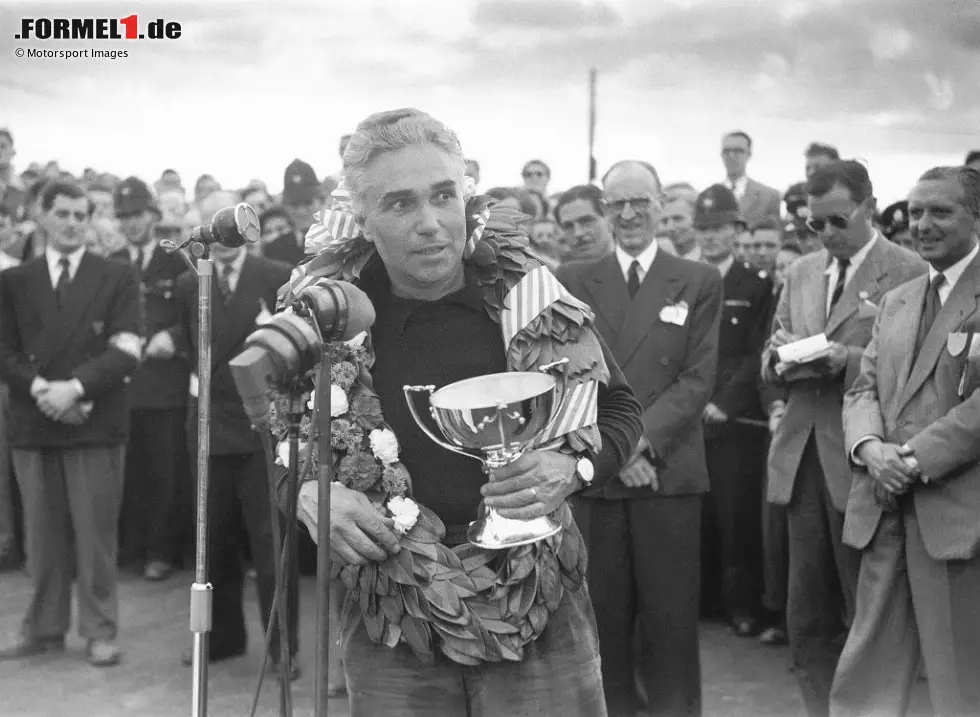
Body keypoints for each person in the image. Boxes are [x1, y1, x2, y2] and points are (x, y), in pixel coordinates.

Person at [291, 108, 643, 717]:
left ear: (466, 195)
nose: (430, 224)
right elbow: (280, 440)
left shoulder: (530, 298)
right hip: (390, 613)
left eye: (443, 196)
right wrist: (306, 492)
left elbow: (618, 408)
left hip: (540, 597)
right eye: (400, 205)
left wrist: (574, 470)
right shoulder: (326, 316)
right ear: (364, 220)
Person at [762, 160, 926, 717]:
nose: (827, 234)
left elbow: (910, 371)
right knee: (804, 612)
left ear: (868, 207)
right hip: (800, 456)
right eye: (815, 225)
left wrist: (846, 359)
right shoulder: (803, 271)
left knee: (867, 610)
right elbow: (772, 347)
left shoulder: (908, 269)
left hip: (862, 460)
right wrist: (777, 361)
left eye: (837, 220)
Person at [560, 160, 723, 717]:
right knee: (602, 625)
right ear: (605, 211)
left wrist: (637, 444)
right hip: (601, 477)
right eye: (616, 204)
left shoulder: (699, 280)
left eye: (640, 202)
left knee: (671, 624)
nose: (628, 214)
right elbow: (573, 374)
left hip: (668, 472)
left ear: (661, 206)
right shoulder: (573, 279)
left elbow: (698, 378)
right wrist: (616, 452)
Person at [831, 166, 980, 717]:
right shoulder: (899, 299)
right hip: (884, 509)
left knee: (961, 683)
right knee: (866, 676)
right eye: (915, 211)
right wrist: (869, 449)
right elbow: (862, 388)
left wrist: (912, 461)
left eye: (940, 211)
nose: (922, 223)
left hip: (957, 519)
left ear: (976, 217)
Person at [0, 180, 141, 667]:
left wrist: (75, 389)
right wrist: (44, 391)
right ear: (42, 215)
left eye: (81, 215)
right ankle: (42, 628)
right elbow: (5, 352)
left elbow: (126, 348)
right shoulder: (15, 281)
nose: (72, 223)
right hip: (33, 421)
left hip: (94, 422)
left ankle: (100, 630)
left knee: (96, 537)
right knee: (40, 539)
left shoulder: (117, 276)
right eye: (62, 213)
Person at [170, 191, 300, 677]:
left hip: (261, 424)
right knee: (212, 542)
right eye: (209, 224)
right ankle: (218, 640)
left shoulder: (276, 275)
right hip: (206, 424)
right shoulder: (188, 282)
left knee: (271, 543)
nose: (219, 236)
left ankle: (281, 646)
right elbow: (188, 345)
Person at [693, 185, 774, 637]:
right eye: (703, 228)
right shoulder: (686, 279)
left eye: (720, 227)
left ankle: (742, 605)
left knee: (736, 516)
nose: (710, 237)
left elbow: (756, 351)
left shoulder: (755, 285)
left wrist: (725, 402)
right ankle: (704, 600)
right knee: (699, 515)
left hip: (735, 421)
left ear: (736, 230)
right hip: (692, 418)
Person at [111, 177, 190, 580]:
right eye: (124, 216)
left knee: (165, 470)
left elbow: (193, 318)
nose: (131, 223)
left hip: (164, 384)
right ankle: (132, 546)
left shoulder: (175, 260)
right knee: (130, 470)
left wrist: (172, 338)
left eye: (138, 214)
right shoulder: (110, 262)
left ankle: (162, 550)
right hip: (122, 386)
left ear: (154, 216)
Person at [721, 131, 781, 226]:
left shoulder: (770, 197)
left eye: (738, 151)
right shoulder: (708, 197)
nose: (731, 155)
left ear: (749, 154)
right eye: (726, 151)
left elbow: (773, 235)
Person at [554, 184, 614, 263]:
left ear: (609, 218)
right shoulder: (559, 274)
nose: (578, 233)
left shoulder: (632, 271)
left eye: (586, 221)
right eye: (568, 226)